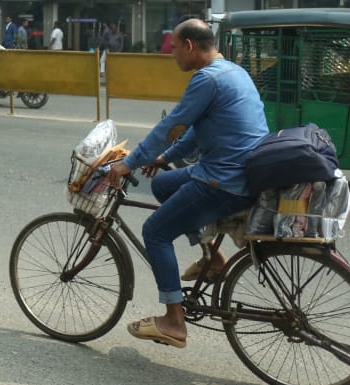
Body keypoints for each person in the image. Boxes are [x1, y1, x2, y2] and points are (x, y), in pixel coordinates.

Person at [105, 19, 270, 350]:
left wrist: (129, 163)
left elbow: (172, 124)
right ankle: (215, 258)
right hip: (241, 173)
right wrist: (163, 159)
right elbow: (193, 132)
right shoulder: (233, 71)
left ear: (191, 46)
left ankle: (174, 321)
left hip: (223, 181)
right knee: (163, 185)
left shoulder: (206, 79)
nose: (173, 55)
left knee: (155, 232)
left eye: (175, 48)